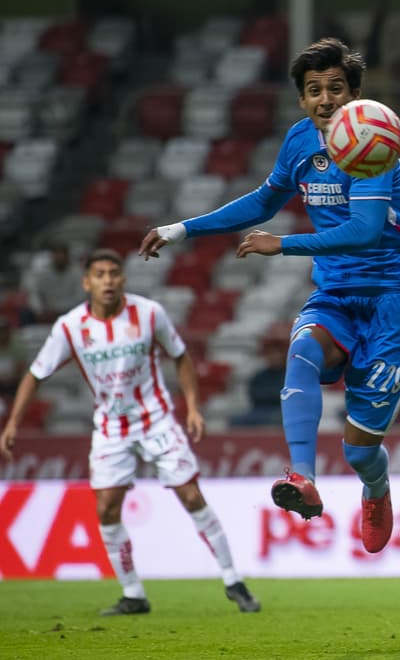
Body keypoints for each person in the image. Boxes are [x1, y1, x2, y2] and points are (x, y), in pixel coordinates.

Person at [138, 37, 400, 556]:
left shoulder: (374, 141)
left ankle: (377, 488)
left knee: (361, 450)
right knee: (300, 350)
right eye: (314, 90)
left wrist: (284, 245)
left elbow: (365, 231)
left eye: (335, 88)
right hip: (337, 294)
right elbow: (263, 201)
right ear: (301, 100)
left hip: (391, 302)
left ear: (355, 94)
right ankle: (302, 477)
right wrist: (181, 228)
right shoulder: (300, 142)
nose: (325, 99)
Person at [0, 249, 260, 616]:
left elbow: (181, 356)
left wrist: (194, 406)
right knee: (106, 507)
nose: (108, 281)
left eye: (114, 273)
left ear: (123, 279)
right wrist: (12, 423)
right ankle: (133, 593)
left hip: (156, 419)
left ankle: (234, 580)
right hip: (110, 429)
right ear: (86, 282)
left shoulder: (149, 313)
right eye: (100, 274)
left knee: (191, 495)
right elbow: (35, 374)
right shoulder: (70, 327)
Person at [20, 241, 85, 325]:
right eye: (56, 254)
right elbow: (35, 294)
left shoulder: (77, 273)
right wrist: (39, 311)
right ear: (52, 256)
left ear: (67, 256)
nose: (60, 258)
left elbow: (80, 298)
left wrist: (58, 311)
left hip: (69, 310)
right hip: (47, 312)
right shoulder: (43, 273)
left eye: (62, 254)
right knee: (26, 312)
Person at [230, 335, 288, 427]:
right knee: (236, 421)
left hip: (278, 410)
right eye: (270, 355)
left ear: (282, 357)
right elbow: (253, 394)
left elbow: (284, 396)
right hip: (258, 409)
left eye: (276, 354)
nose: (273, 358)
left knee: (275, 419)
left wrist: (269, 395)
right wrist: (272, 395)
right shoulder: (259, 376)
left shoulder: (287, 375)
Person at [0, 317, 24, 399]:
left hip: (15, 382)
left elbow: (21, 365)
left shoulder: (18, 345)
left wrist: (10, 379)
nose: (2, 334)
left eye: (4, 331)